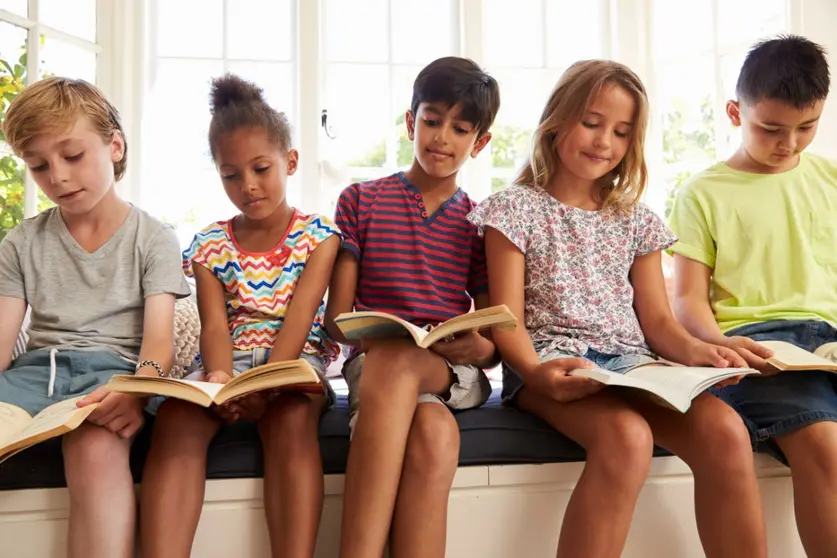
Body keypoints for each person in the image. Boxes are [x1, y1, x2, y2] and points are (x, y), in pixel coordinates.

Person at [470, 59, 768, 558]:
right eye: (591, 122)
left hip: (633, 365)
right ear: (557, 119)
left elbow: (659, 324)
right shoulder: (512, 208)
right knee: (627, 438)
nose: (604, 141)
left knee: (725, 430)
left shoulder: (636, 221)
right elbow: (507, 319)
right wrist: (535, 373)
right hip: (553, 362)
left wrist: (705, 355)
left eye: (622, 132)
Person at [139, 74, 341, 558]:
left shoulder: (319, 236)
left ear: (289, 162)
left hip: (292, 364)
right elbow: (213, 325)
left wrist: (266, 386)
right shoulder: (209, 243)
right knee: (175, 419)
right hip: (224, 364)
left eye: (261, 169)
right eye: (232, 175)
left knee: (291, 418)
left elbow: (300, 318)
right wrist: (221, 380)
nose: (248, 186)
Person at [0, 77, 190, 558]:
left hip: (113, 377)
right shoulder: (21, 243)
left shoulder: (154, 238)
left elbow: (159, 342)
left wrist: (138, 393)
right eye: (39, 166)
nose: (57, 177)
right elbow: (2, 343)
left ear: (115, 145)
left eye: (72, 156)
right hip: (32, 378)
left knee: (95, 452)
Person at [325, 56, 500, 558]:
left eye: (460, 128)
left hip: (451, 372)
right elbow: (337, 322)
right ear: (410, 122)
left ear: (479, 142)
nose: (442, 137)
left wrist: (477, 345)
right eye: (431, 120)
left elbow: (492, 345)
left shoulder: (477, 222)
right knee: (434, 434)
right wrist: (369, 332)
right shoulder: (360, 200)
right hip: (376, 369)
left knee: (402, 364)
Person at [669, 35, 836, 558]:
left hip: (829, 348)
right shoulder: (702, 192)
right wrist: (720, 346)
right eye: (771, 129)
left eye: (806, 127)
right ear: (735, 112)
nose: (789, 143)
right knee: (826, 451)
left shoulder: (830, 179)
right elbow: (687, 300)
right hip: (759, 350)